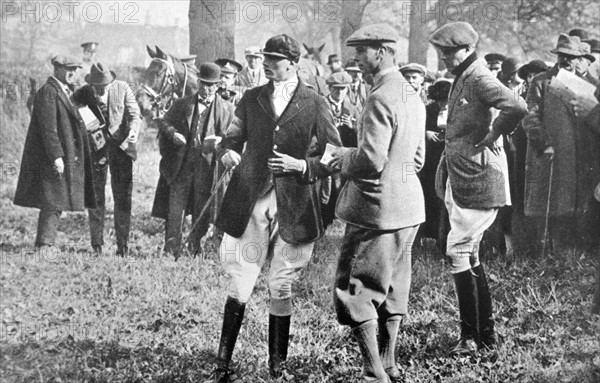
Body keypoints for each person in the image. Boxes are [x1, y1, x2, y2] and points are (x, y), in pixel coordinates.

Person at [212, 34, 341, 382]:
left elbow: (335, 154)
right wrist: (227, 152)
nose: (266, 63)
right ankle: (222, 364)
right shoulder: (252, 98)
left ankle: (276, 368)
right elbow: (231, 137)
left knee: (281, 284)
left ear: (293, 63)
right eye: (265, 57)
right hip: (250, 199)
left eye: (274, 58)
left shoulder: (314, 102)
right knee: (240, 281)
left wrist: (303, 166)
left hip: (296, 204)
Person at [330, 23, 426, 383]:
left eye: (361, 51)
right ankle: (389, 364)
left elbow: (370, 160)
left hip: (376, 211)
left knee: (359, 290)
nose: (356, 58)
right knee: (394, 288)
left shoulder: (379, 96)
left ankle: (374, 374)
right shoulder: (410, 93)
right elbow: (416, 159)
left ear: (382, 52)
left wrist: (339, 156)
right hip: (409, 208)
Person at [429, 21, 527, 355]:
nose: (444, 58)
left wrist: (492, 135)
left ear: (468, 49)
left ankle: (472, 338)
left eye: (449, 52)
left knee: (457, 252)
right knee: (467, 254)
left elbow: (517, 105)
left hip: (479, 178)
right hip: (464, 176)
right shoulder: (465, 75)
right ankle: (483, 337)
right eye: (441, 52)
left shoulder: (481, 77)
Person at [522, 34, 600, 255]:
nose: (566, 60)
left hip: (584, 157)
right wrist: (543, 143)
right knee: (553, 208)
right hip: (553, 155)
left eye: (572, 56)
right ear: (557, 57)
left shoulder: (592, 86)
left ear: (579, 59)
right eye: (562, 56)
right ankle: (549, 254)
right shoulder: (541, 81)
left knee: (582, 207)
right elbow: (531, 116)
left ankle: (578, 257)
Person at [151, 63, 235, 258]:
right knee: (175, 210)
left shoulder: (227, 110)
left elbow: (236, 137)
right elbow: (163, 122)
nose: (207, 89)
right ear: (198, 82)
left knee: (201, 212)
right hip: (181, 168)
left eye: (211, 85)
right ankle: (171, 250)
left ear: (218, 86)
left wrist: (221, 141)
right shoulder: (182, 104)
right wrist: (173, 134)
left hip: (207, 170)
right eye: (204, 84)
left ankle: (194, 247)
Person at [14, 55, 96, 248]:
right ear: (57, 69)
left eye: (75, 69)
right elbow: (48, 128)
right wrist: (56, 156)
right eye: (69, 68)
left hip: (66, 153)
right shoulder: (48, 92)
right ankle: (44, 244)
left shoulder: (69, 91)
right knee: (52, 200)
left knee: (56, 200)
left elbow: (85, 119)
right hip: (52, 156)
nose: (73, 72)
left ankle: (46, 242)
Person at [72, 63, 142, 256]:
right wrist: (85, 123)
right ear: (91, 84)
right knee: (95, 198)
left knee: (123, 198)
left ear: (111, 82)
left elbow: (136, 115)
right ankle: (97, 245)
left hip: (121, 150)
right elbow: (72, 110)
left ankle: (123, 246)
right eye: (96, 87)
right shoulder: (83, 94)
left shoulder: (123, 88)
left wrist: (134, 132)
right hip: (96, 152)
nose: (99, 91)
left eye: (103, 87)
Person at [419, 79, 452, 249]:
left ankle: (443, 237)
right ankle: (427, 233)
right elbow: (417, 127)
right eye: (440, 101)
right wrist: (427, 133)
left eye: (445, 101)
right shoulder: (428, 110)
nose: (443, 104)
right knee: (429, 193)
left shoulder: (456, 111)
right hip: (430, 157)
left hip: (448, 157)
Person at [325, 71, 359, 147]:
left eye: (343, 88)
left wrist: (351, 126)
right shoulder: (321, 105)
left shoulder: (352, 109)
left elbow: (362, 131)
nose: (340, 92)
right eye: (336, 88)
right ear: (330, 88)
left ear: (347, 90)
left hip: (346, 149)